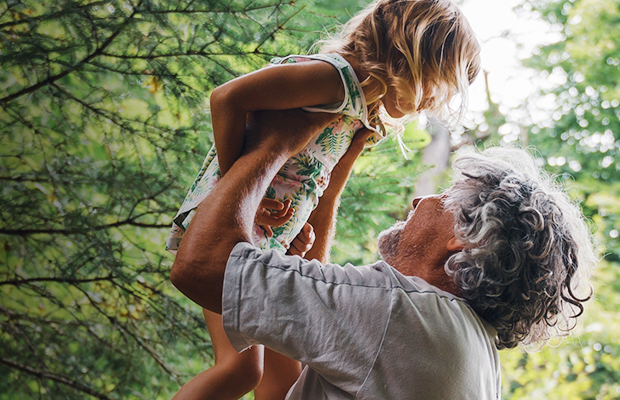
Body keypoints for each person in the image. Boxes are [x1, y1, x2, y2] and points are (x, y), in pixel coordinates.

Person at [166, 1, 481, 398]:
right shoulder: (333, 77)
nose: (429, 104)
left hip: (269, 241)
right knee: (241, 369)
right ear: (409, 53)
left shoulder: (358, 113)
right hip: (228, 227)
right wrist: (235, 184)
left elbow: (323, 195)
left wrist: (302, 237)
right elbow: (227, 98)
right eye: (434, 87)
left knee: (286, 382)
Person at [170, 109, 595, 399]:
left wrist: (275, 145)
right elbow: (286, 389)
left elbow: (201, 267)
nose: (419, 202)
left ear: (467, 240)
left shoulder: (405, 315)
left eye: (445, 196)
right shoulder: (460, 345)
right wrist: (334, 174)